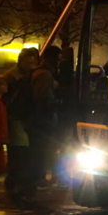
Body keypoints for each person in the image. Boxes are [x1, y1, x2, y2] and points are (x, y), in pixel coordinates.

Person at [3, 47, 39, 207]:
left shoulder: (32, 76)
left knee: (25, 154)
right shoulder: (12, 77)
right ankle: (14, 185)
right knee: (19, 153)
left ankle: (17, 185)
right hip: (16, 119)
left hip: (25, 119)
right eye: (28, 62)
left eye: (33, 62)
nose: (31, 65)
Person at [27, 46, 62, 202]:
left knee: (40, 153)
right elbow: (44, 100)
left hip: (39, 121)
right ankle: (36, 183)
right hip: (42, 122)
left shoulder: (40, 73)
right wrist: (60, 102)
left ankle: (36, 181)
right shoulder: (45, 75)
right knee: (40, 153)